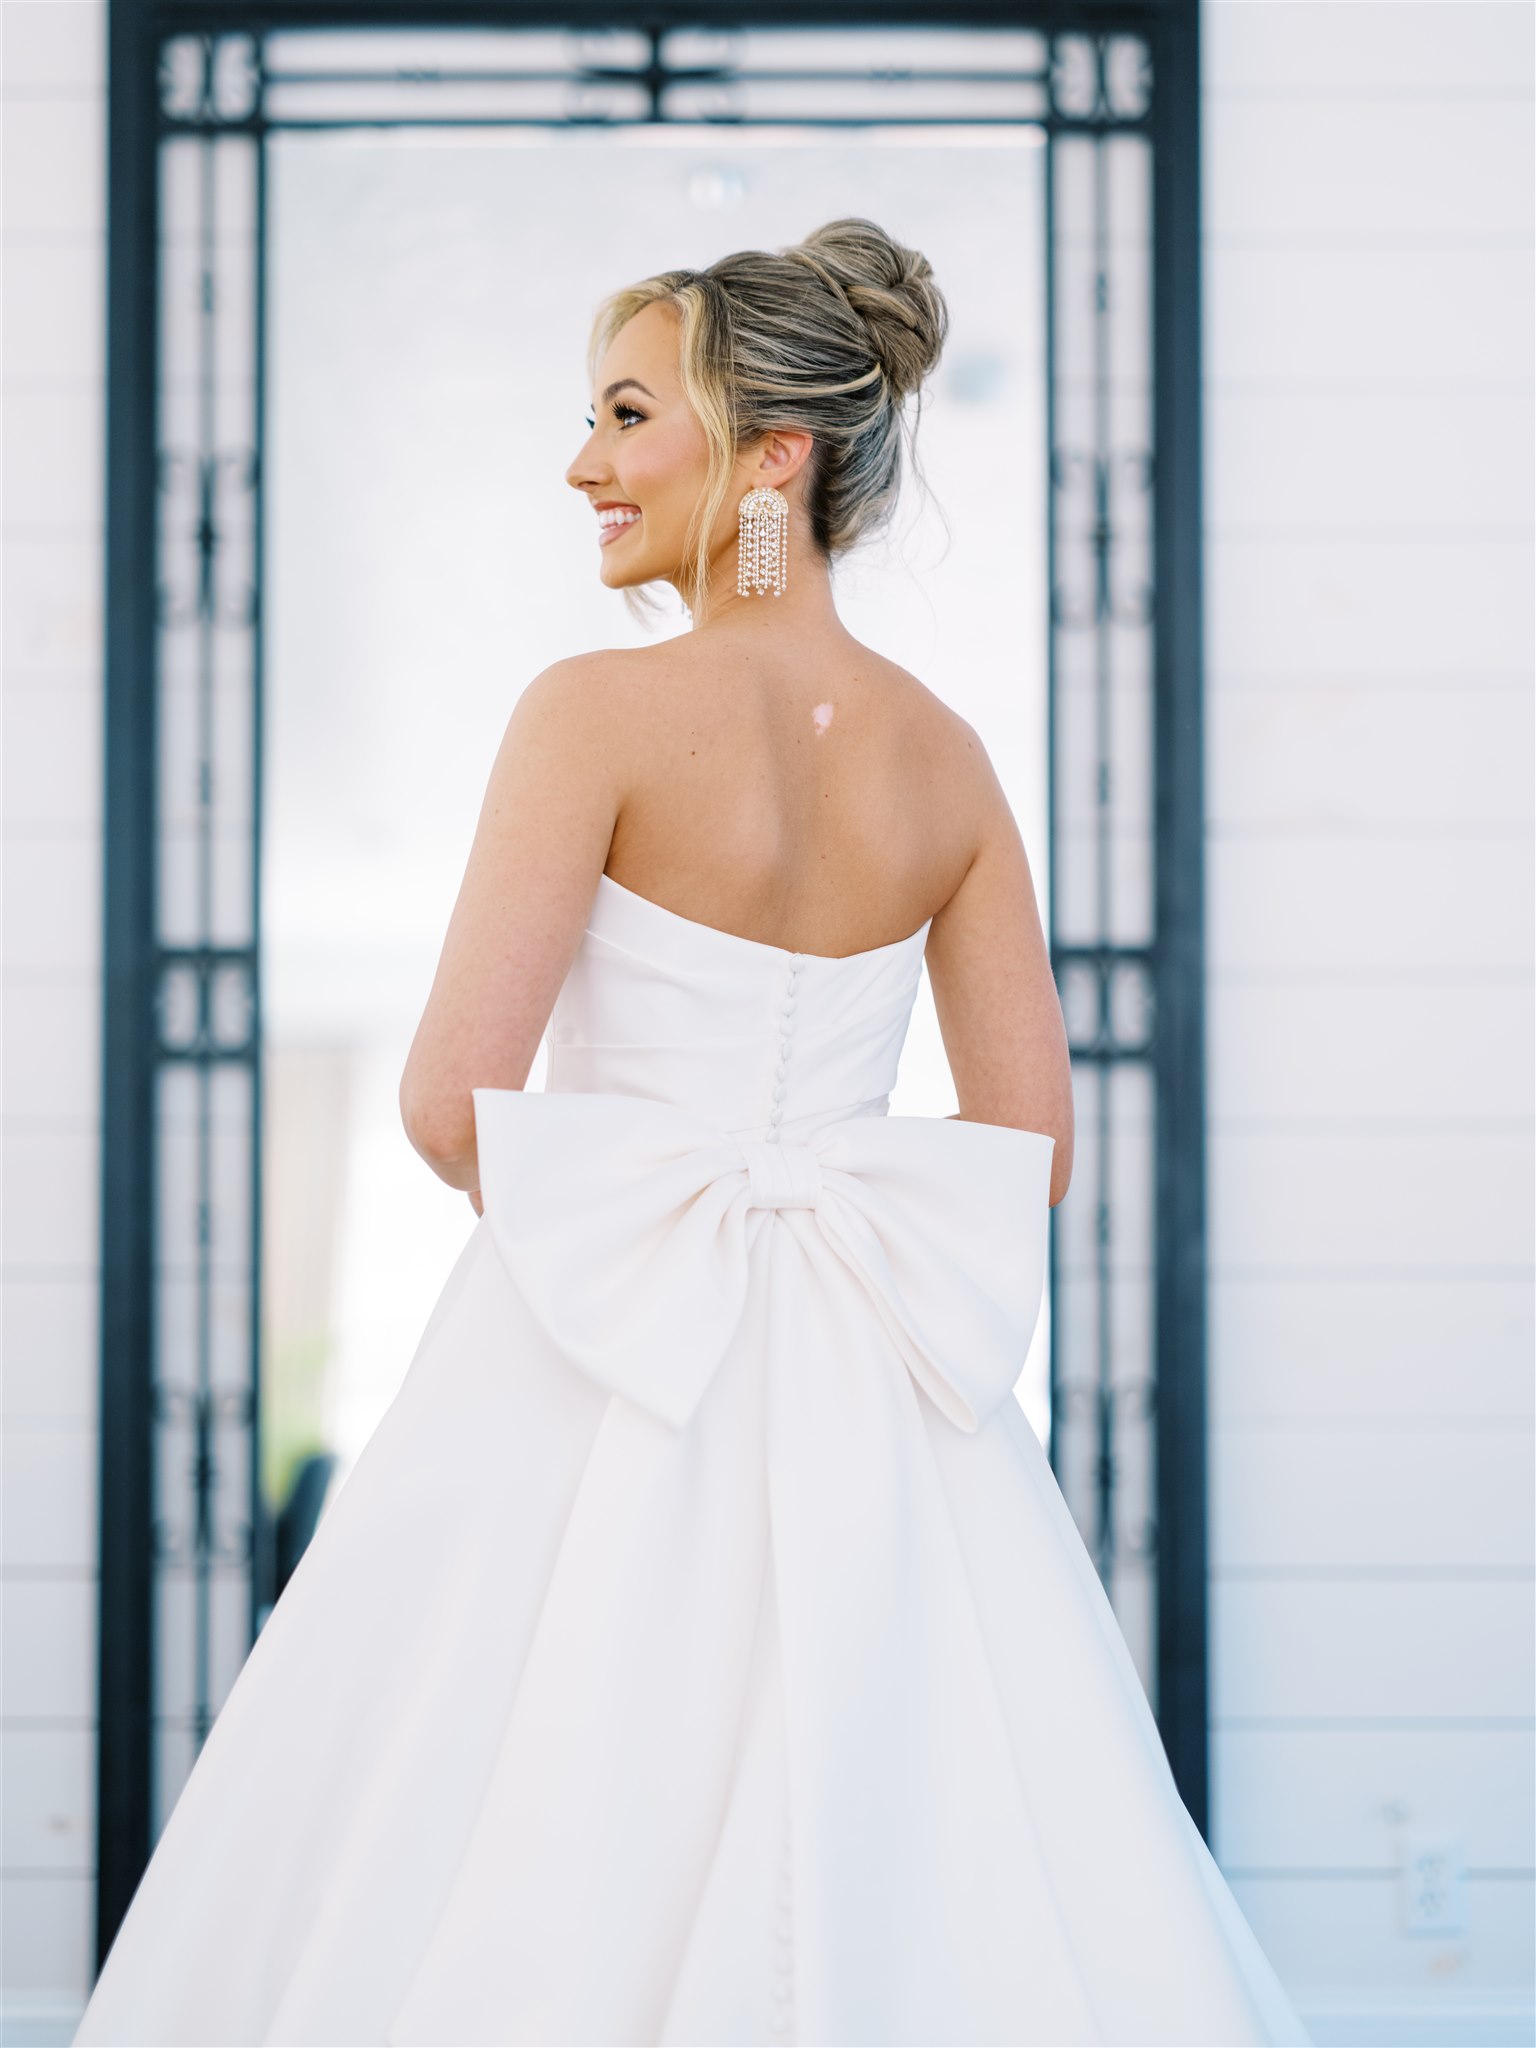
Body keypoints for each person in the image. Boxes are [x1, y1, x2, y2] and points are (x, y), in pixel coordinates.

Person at [73, 217, 1311, 2047]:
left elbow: (442, 1101)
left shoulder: (595, 717)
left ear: (771, 456)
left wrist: (631, 1226)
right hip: (888, 1412)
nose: (584, 461)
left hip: (583, 1366)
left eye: (628, 414)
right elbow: (1027, 1151)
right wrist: (817, 1217)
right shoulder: (949, 760)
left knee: (498, 1819)